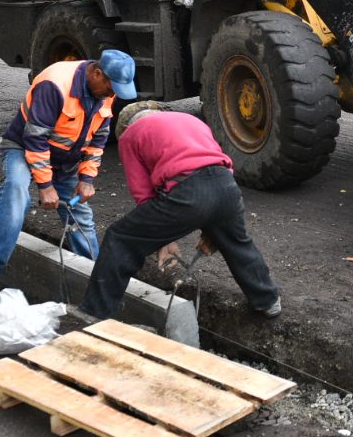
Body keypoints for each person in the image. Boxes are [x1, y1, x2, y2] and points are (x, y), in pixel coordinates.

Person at [75, 102, 281, 321]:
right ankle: (267, 300)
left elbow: (143, 194)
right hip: (227, 185)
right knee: (238, 244)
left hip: (187, 191)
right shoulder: (192, 121)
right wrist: (212, 233)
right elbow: (211, 166)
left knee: (120, 239)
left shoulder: (130, 135)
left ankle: (94, 313)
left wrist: (161, 238)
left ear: (127, 125)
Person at [0, 50, 137, 288]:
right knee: (16, 190)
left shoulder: (105, 90)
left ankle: (98, 279)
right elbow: (35, 140)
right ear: (97, 73)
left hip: (64, 160)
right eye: (112, 87)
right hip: (23, 147)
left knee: (80, 215)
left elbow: (99, 139)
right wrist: (45, 185)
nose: (113, 94)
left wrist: (86, 179)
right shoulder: (54, 84)